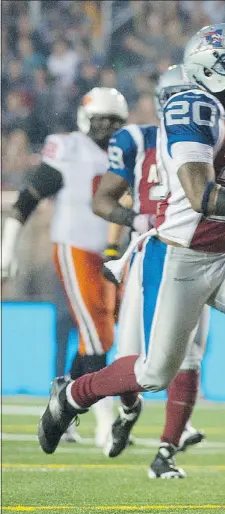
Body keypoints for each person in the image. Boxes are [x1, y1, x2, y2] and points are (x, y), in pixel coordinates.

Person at [36, 24, 225, 486]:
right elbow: (203, 196)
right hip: (182, 255)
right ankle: (73, 395)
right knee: (154, 371)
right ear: (209, 68)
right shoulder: (191, 105)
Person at [92, 65, 209, 472]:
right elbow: (104, 199)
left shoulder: (212, 139)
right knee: (132, 359)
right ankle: (126, 412)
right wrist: (132, 223)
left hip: (199, 253)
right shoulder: (137, 139)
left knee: (190, 353)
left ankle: (167, 449)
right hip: (150, 255)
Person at [2, 87, 129, 447]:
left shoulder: (125, 152)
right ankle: (105, 421)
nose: (108, 129)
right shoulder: (69, 148)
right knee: (99, 334)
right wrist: (7, 246)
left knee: (107, 334)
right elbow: (29, 198)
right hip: (75, 248)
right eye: (102, 121)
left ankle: (64, 400)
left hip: (113, 253)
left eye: (115, 123)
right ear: (86, 119)